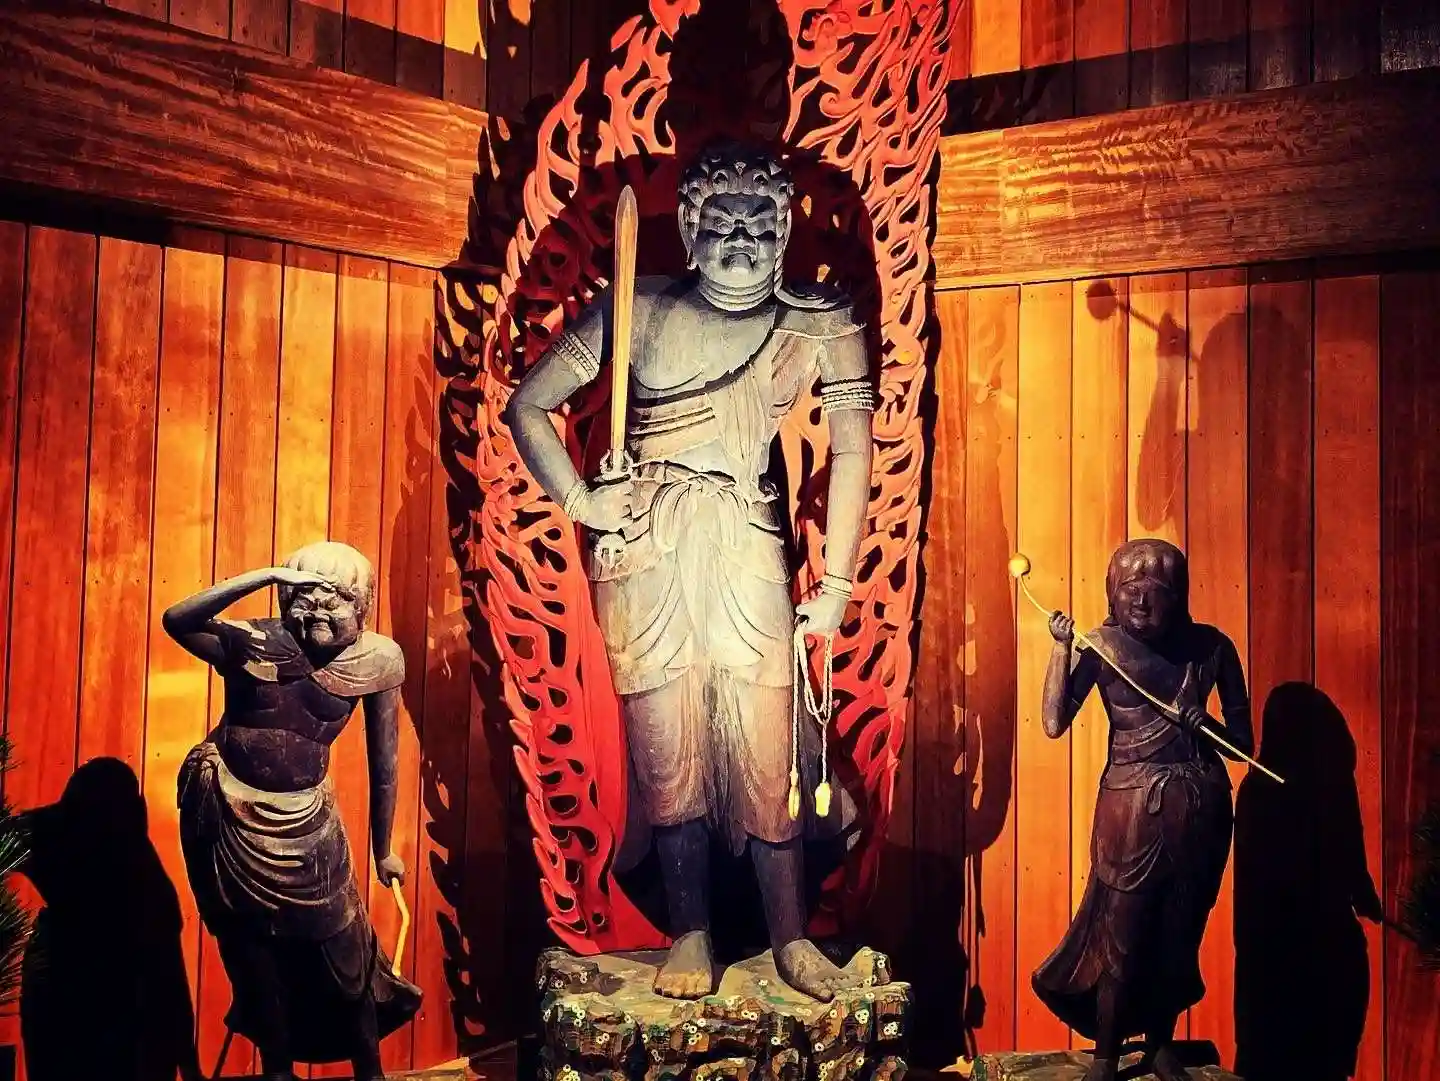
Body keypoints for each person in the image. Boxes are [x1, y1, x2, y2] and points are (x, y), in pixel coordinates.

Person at [505, 141, 876, 1001]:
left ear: (784, 232)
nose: (740, 240)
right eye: (722, 222)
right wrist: (582, 501)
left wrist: (836, 587)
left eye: (759, 224)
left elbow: (854, 449)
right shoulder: (637, 306)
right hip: (646, 550)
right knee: (667, 746)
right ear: (690, 227)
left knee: (767, 745)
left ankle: (790, 933)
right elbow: (529, 404)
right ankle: (690, 930)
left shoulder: (818, 319)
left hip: (747, 541)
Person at [164, 541, 421, 1081]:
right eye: (304, 599)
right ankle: (277, 1070)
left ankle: (369, 1069)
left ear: (363, 605)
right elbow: (177, 620)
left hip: (309, 820)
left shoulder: (378, 660)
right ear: (284, 598)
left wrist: (382, 849)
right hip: (228, 813)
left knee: (344, 948)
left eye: (336, 601)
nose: (319, 613)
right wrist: (261, 575)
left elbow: (385, 763)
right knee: (253, 954)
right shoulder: (254, 641)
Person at [1031, 539, 1253, 1081]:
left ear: (1180, 595)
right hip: (1131, 806)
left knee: (1180, 931)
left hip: (1201, 804)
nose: (1142, 601)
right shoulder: (1103, 648)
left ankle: (1160, 1042)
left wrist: (1205, 725)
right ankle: (1106, 1051)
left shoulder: (1211, 649)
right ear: (1112, 594)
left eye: (1157, 591)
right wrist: (1061, 650)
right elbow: (1054, 723)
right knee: (1123, 933)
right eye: (1130, 589)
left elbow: (1244, 746)